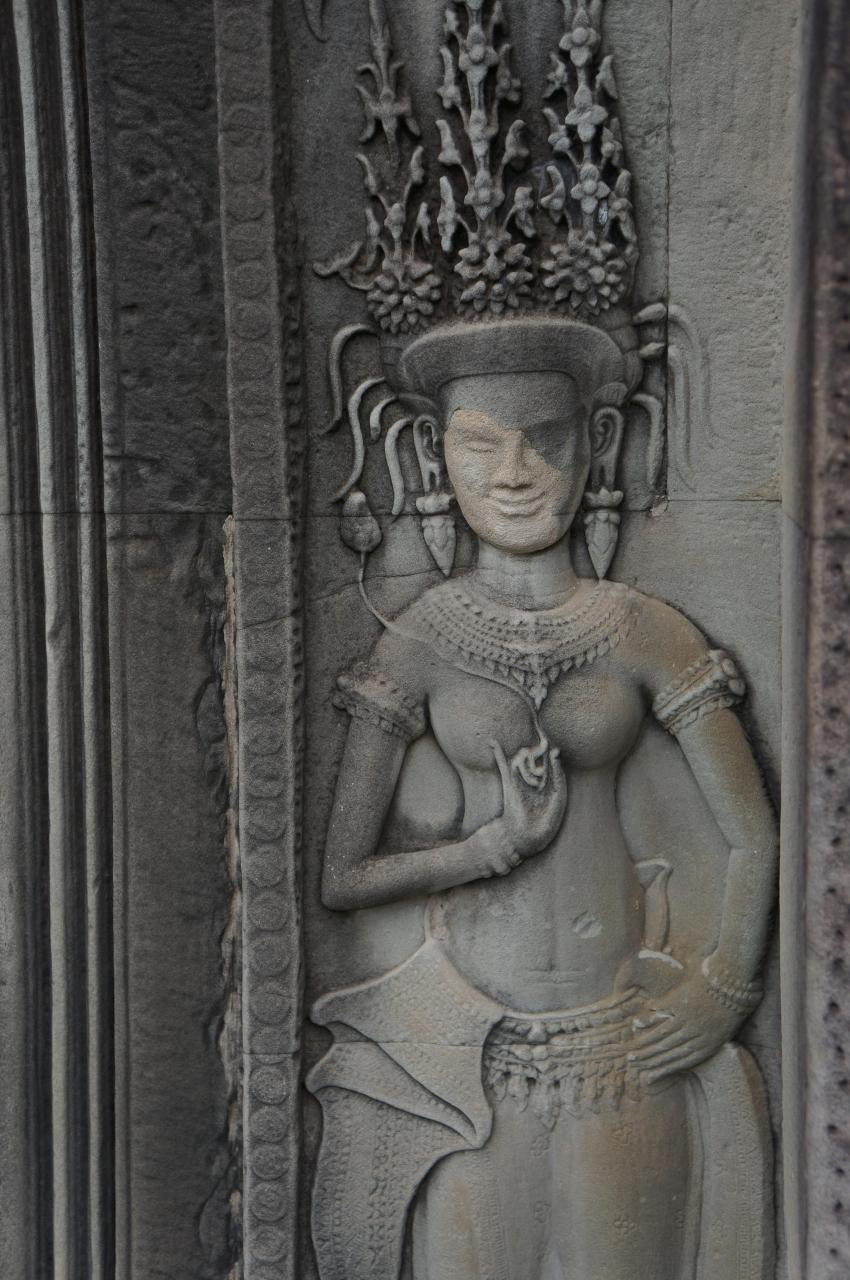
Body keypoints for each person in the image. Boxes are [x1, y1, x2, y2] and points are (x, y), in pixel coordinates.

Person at [307, 318, 777, 1280]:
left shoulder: (644, 629)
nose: (515, 474)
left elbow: (751, 835)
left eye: (545, 440)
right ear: (432, 452)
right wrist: (490, 849)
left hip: (621, 1047)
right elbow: (343, 876)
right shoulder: (420, 639)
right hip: (470, 1056)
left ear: (596, 442)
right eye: (481, 444)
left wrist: (723, 987)